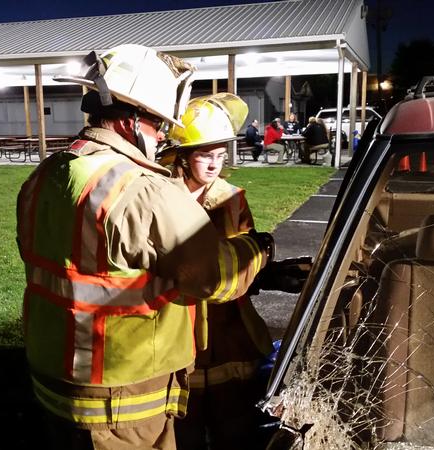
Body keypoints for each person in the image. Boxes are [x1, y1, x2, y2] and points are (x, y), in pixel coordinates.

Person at [16, 44, 273, 450]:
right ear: (133, 120)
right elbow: (217, 278)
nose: (162, 138)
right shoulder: (142, 189)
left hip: (52, 384)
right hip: (118, 399)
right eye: (160, 127)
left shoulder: (46, 174)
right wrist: (260, 247)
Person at [167, 93, 274, 450]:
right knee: (185, 427)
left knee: (234, 426)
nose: (214, 166)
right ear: (182, 156)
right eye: (204, 156)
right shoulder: (163, 197)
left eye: (220, 156)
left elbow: (244, 262)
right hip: (180, 330)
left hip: (230, 331)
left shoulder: (232, 198)